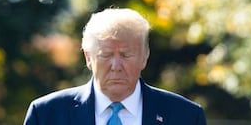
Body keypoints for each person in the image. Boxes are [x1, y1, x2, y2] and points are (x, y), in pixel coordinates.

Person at [23, 8, 207, 125]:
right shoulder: (47, 115)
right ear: (88, 58)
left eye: (126, 55)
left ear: (144, 57)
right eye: (106, 55)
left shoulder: (185, 116)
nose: (116, 66)